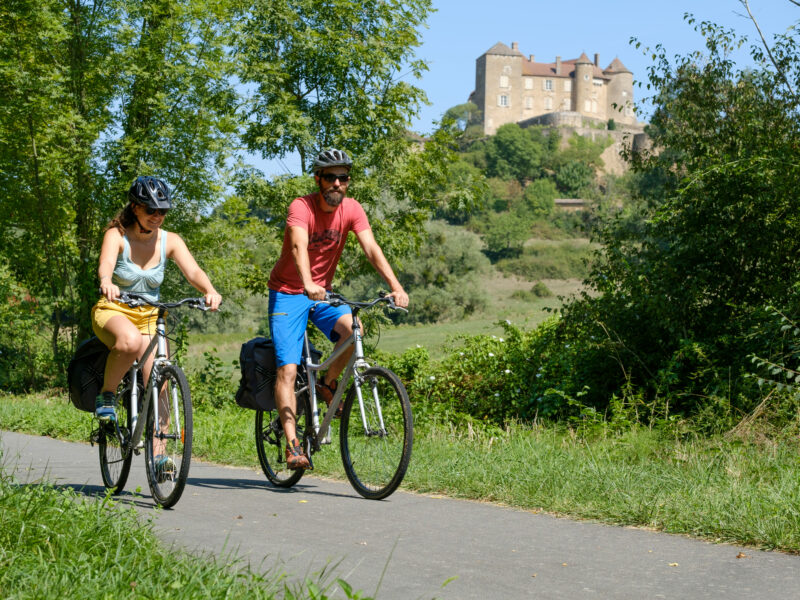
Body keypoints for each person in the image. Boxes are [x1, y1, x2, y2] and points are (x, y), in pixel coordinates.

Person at [267, 149, 409, 470]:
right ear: (318, 179)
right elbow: (297, 246)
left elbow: (371, 248)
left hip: (322, 294)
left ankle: (327, 384)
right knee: (288, 370)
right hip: (289, 293)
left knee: (354, 329)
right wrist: (306, 282)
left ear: (348, 182)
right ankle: (292, 446)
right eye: (329, 177)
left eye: (342, 178)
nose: (336, 183)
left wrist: (396, 286)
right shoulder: (300, 207)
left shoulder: (352, 209)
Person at [92, 175, 222, 450]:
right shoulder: (116, 235)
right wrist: (106, 282)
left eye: (163, 210)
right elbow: (106, 264)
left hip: (151, 316)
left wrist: (209, 290)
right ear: (135, 207)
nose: (157, 216)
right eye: (151, 210)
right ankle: (107, 394)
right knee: (130, 342)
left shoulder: (170, 240)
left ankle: (161, 455)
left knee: (160, 381)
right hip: (114, 310)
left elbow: (193, 271)